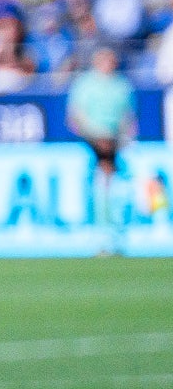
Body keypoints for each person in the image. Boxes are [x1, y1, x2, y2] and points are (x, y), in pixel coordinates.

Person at [66, 42, 138, 253]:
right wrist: (98, 137)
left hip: (116, 144)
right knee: (97, 186)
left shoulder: (122, 86)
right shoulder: (85, 84)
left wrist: (121, 139)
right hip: (92, 144)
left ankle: (116, 235)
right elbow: (75, 117)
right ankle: (98, 236)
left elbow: (128, 118)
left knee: (118, 188)